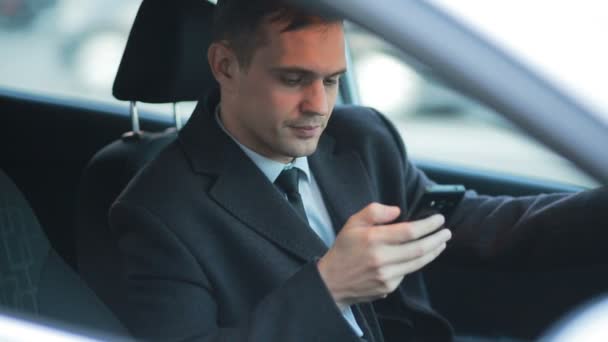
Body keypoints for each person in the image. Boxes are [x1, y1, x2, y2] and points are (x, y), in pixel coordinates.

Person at [109, 0, 608, 341]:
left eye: (332, 80)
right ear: (224, 66)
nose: (318, 105)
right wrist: (330, 287)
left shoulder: (361, 137)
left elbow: (475, 225)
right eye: (293, 79)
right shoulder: (156, 210)